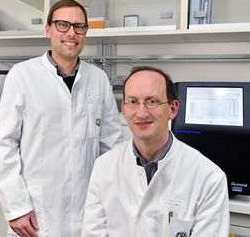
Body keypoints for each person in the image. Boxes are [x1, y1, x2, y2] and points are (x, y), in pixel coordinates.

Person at [0, 0, 123, 237]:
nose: (71, 33)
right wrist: (17, 208)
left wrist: (111, 200)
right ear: (48, 29)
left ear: (85, 32)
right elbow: (4, 145)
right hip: (36, 213)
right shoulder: (22, 76)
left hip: (88, 211)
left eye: (79, 26)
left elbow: (111, 145)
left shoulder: (98, 79)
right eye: (63, 24)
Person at [81, 66, 229, 237]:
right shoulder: (104, 167)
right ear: (124, 109)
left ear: (172, 109)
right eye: (133, 102)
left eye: (152, 101)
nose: (141, 113)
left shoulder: (209, 178)